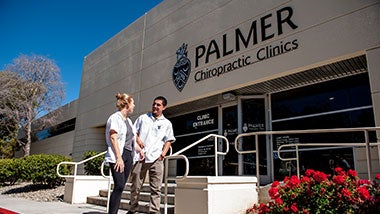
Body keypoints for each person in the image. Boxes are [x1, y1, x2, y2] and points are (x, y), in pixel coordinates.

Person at [128, 96, 176, 214]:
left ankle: (154, 211)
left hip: (157, 159)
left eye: (158, 105)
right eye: (154, 104)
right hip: (141, 157)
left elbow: (169, 140)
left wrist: (162, 155)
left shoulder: (167, 123)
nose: (155, 106)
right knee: (135, 187)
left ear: (164, 107)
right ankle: (132, 209)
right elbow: (133, 133)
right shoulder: (143, 118)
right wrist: (138, 141)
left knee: (156, 189)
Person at [104, 93, 136, 214]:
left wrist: (139, 149)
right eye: (133, 103)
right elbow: (113, 137)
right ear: (127, 105)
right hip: (119, 155)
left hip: (128, 155)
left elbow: (133, 136)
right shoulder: (115, 118)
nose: (134, 105)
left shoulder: (128, 121)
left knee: (121, 187)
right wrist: (118, 158)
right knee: (119, 185)